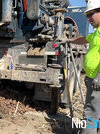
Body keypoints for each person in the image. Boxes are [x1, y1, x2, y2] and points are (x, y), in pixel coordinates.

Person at [61, 0, 100, 133]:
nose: (88, 18)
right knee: (95, 112)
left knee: (90, 114)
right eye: (87, 15)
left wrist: (99, 78)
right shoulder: (97, 32)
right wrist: (69, 40)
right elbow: (85, 39)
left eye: (91, 14)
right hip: (93, 79)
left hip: (97, 81)